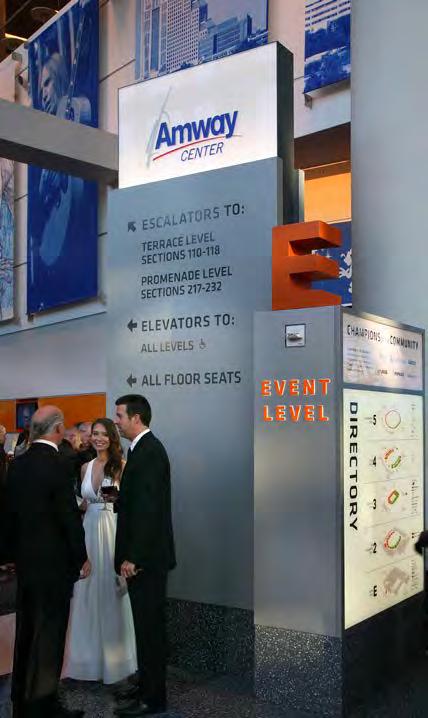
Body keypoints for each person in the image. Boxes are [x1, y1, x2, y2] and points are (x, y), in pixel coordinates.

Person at [2, 405, 90, 718]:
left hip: (26, 563)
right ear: (58, 429)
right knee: (50, 633)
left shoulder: (18, 464)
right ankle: (43, 704)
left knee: (27, 630)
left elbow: (8, 514)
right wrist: (81, 556)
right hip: (54, 564)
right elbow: (68, 516)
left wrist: (9, 555)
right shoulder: (59, 464)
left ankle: (21, 701)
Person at [114, 395, 176, 717]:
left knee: (150, 630)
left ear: (136, 418)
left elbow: (148, 511)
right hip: (145, 558)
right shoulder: (140, 449)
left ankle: (153, 699)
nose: (116, 422)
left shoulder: (150, 451)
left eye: (120, 416)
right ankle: (145, 687)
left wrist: (133, 557)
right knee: (144, 627)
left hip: (147, 560)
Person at [63, 418, 137, 685]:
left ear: (112, 438)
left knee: (110, 593)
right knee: (86, 593)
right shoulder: (84, 467)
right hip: (88, 532)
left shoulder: (122, 466)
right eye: (95, 433)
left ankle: (116, 663)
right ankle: (86, 662)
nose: (98, 438)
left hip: (112, 531)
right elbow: (85, 503)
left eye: (104, 434)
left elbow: (128, 505)